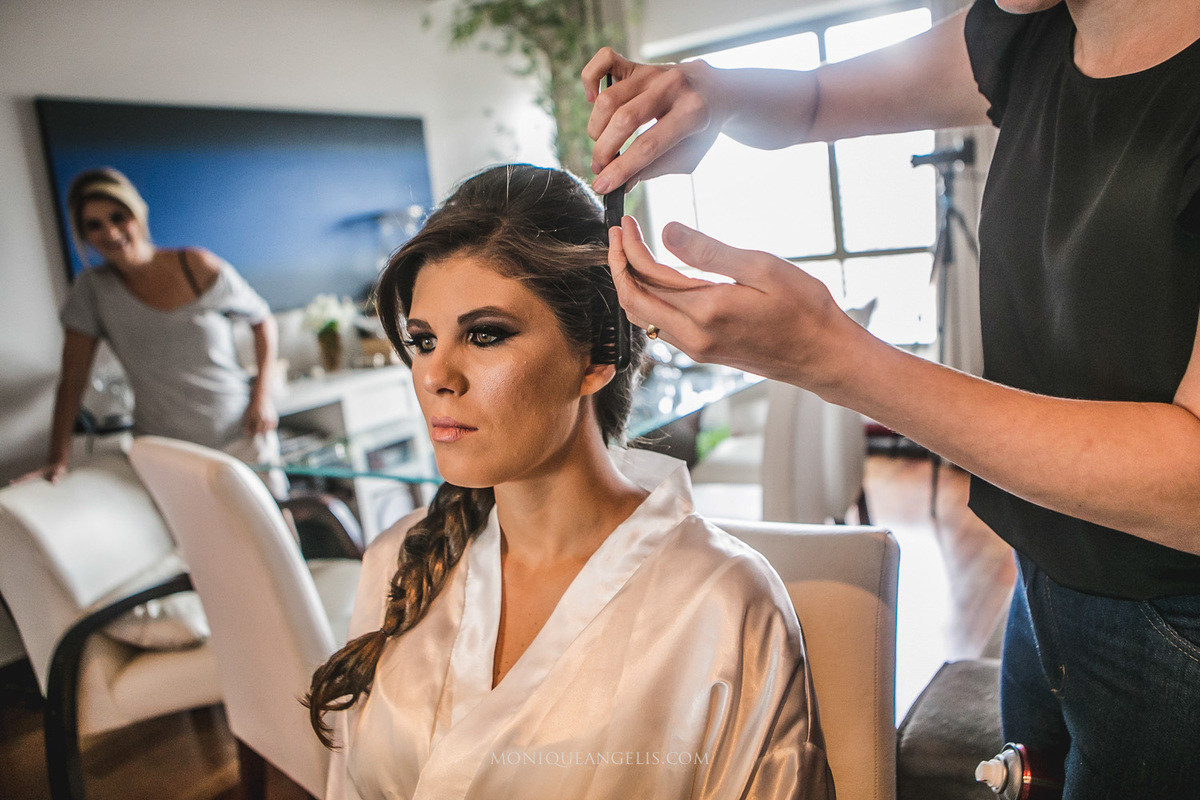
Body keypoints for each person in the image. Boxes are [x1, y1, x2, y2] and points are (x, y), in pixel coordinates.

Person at [583, 1, 1200, 797]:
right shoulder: (1033, 29)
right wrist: (712, 89)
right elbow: (814, 99)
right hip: (1044, 573)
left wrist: (835, 359)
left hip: (1172, 619)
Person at [306, 164, 834, 800]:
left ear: (596, 355)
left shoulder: (720, 604)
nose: (435, 376)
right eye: (422, 341)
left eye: (485, 335)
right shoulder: (398, 561)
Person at [30, 167, 283, 488]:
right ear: (84, 235)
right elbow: (72, 379)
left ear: (137, 214)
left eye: (118, 217)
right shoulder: (91, 291)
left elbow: (263, 321)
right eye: (94, 225)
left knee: (272, 517)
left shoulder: (195, 265)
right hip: (167, 451)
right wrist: (57, 459)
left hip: (241, 434)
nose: (110, 232)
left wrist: (262, 397)